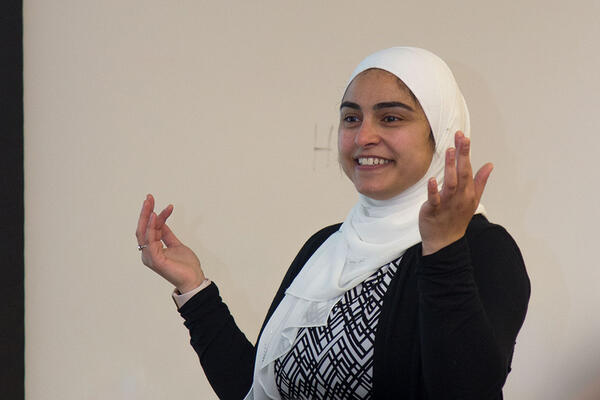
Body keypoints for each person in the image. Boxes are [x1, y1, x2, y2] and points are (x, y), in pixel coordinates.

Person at [135, 47, 530, 400]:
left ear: (440, 133)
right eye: (351, 118)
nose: (364, 136)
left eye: (391, 118)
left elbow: (465, 389)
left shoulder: (481, 248)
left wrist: (443, 248)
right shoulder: (327, 246)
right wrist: (194, 289)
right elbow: (253, 390)